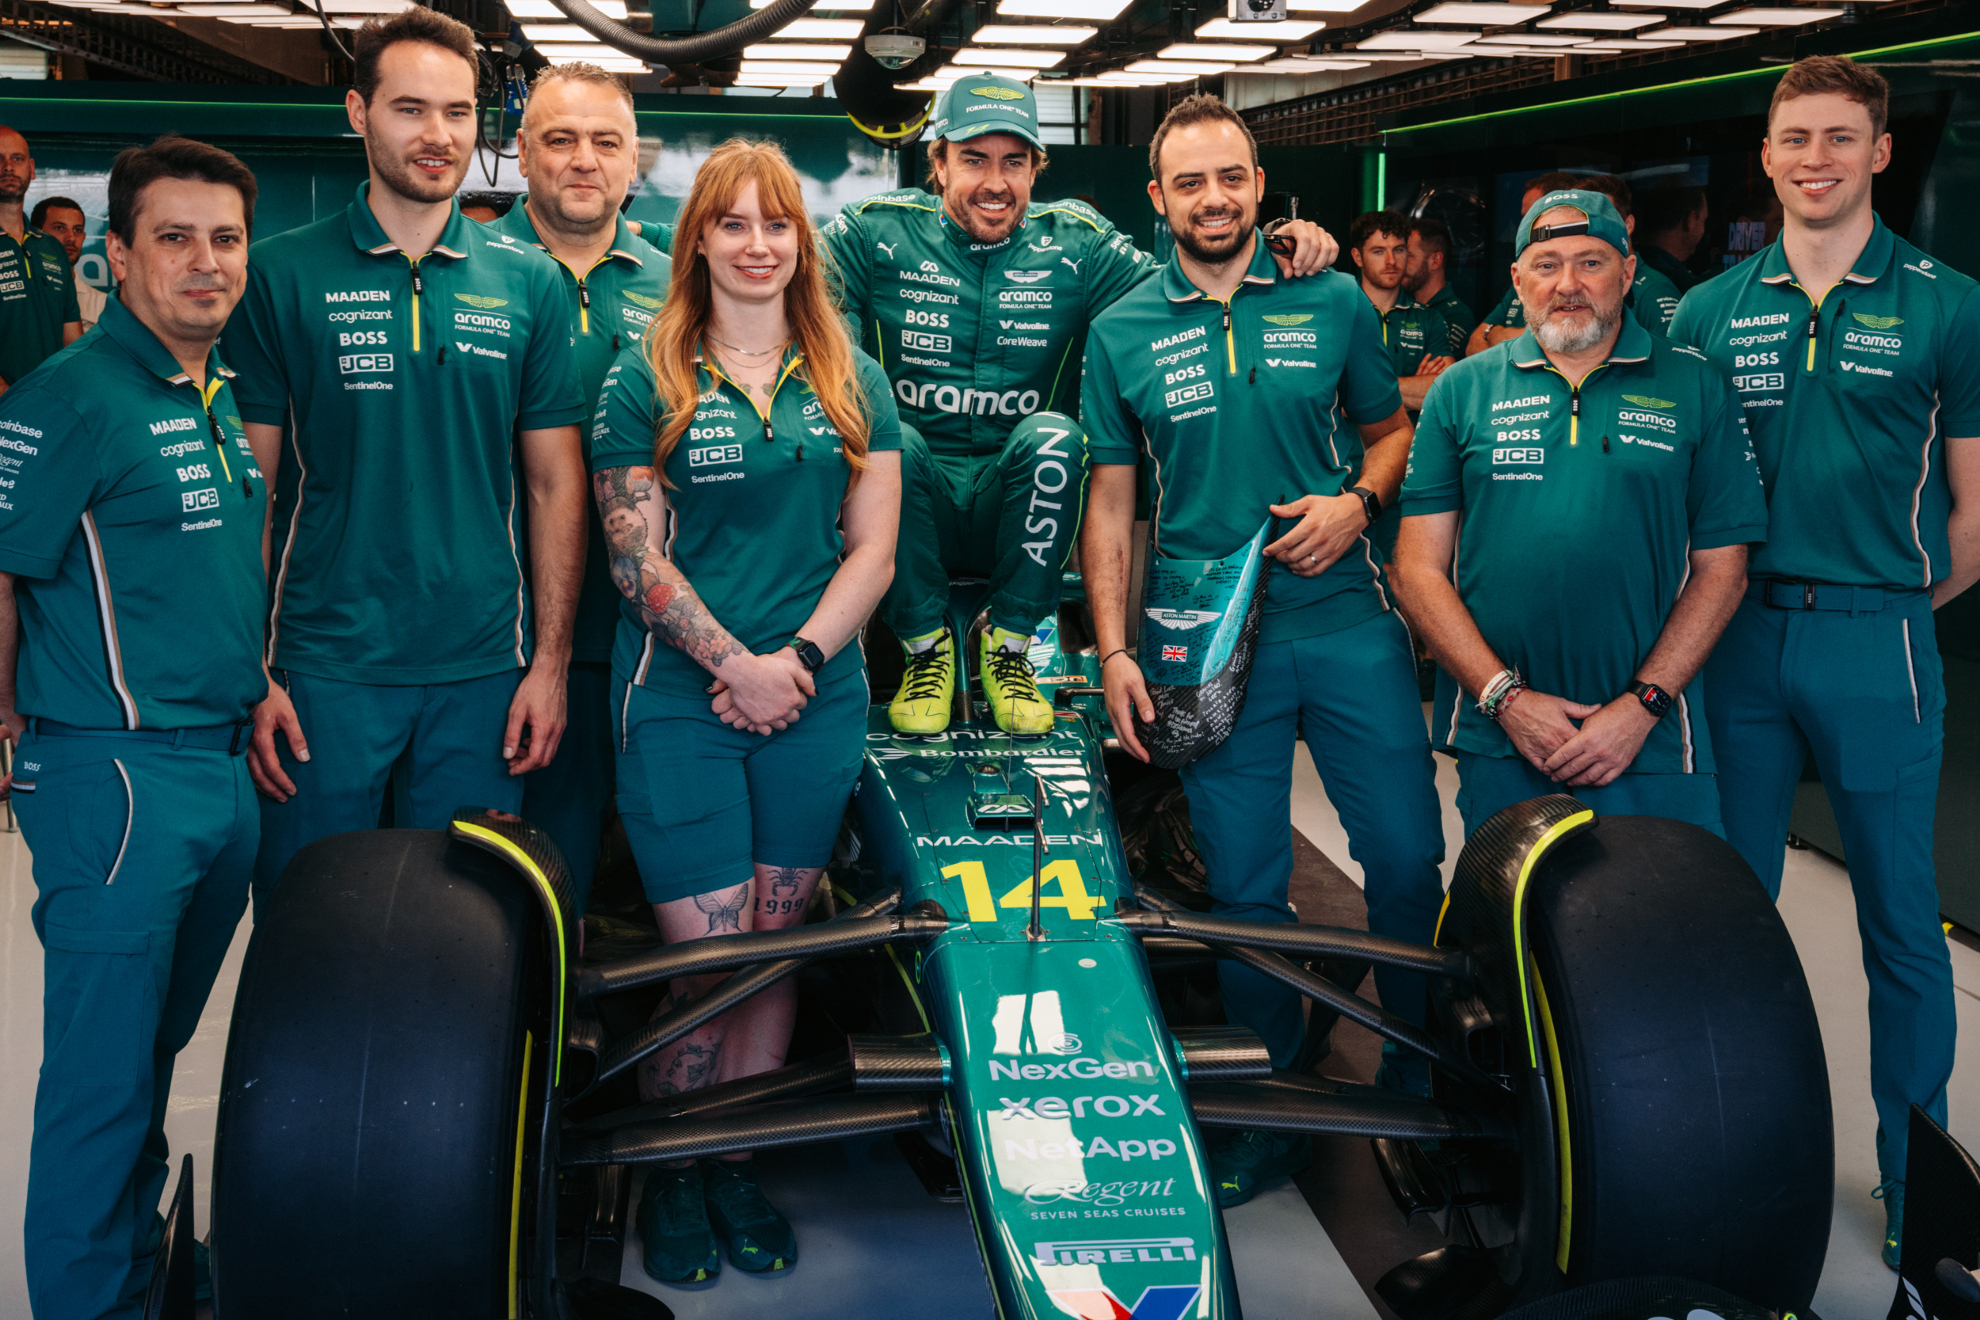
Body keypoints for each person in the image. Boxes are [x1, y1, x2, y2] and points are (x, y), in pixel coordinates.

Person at [1081, 94, 1445, 1208]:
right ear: (1159, 198)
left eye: (1231, 177)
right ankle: (1271, 1095)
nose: (1214, 199)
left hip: (1343, 622)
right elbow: (1111, 501)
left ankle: (1419, 1074)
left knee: (1405, 860)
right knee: (1242, 886)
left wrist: (1356, 502)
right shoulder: (1121, 330)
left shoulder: (1330, 297)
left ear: (1258, 185)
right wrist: (1113, 650)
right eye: (1190, 182)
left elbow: (1392, 436)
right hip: (1203, 638)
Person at [1670, 54, 1980, 1269]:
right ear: (1767, 153)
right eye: (1796, 138)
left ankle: (1918, 1186)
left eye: (1840, 137)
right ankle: (1732, 1160)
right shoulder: (1706, 313)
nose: (1816, 159)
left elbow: (1975, 517)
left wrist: (1885, 602)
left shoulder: (1949, 305)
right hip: (1735, 638)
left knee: (1900, 922)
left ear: (1880, 152)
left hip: (1876, 636)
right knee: (1728, 913)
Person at [590, 138, 901, 1285]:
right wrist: (737, 664)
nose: (757, 244)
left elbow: (872, 549)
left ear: (801, 244)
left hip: (816, 696)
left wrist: (798, 661)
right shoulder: (646, 377)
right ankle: (673, 1167)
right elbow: (634, 558)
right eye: (734, 223)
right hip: (680, 700)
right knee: (708, 960)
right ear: (700, 241)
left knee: (778, 948)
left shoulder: (850, 376)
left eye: (778, 224)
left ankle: (735, 1162)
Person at [819, 75, 1336, 736]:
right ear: (939, 162)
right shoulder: (872, 231)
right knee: (891, 432)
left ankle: (1009, 646)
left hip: (1021, 505)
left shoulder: (1079, 244)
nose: (995, 182)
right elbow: (799, 305)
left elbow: (1192, 286)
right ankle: (926, 651)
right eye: (974, 160)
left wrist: (1278, 241)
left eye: (1014, 162)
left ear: (1036, 169)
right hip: (904, 503)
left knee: (1056, 436)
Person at [229, 8, 587, 896]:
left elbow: (554, 485)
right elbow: (251, 492)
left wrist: (548, 665)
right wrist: (252, 673)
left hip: (484, 669)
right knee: (311, 921)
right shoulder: (278, 274)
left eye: (458, 112)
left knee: (468, 934)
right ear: (358, 112)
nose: (439, 135)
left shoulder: (529, 281)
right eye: (410, 109)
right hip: (321, 665)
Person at [0, 135, 265, 1320]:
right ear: (116, 254)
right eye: (175, 238)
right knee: (100, 1083)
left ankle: (135, 1274)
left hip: (218, 767)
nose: (205, 262)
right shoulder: (71, 398)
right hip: (115, 780)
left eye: (225, 239)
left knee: (152, 1055)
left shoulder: (209, 386)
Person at [1391, 189, 1764, 836]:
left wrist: (1641, 707)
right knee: (1514, 904)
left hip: (1653, 738)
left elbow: (1723, 570)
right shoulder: (1461, 389)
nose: (1568, 284)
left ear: (1628, 271)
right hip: (1500, 735)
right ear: (1518, 281)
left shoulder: (1697, 384)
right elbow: (1416, 569)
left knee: (1663, 902)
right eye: (1547, 264)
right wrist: (1506, 700)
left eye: (1591, 262)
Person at [494, 62, 671, 909]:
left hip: (648, 643)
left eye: (606, 141)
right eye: (560, 139)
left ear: (635, 160)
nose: (583, 160)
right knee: (510, 890)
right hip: (500, 643)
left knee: (638, 889)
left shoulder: (682, 288)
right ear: (522, 152)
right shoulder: (474, 271)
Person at [0, 127, 82, 395]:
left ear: (32, 169)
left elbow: (72, 340)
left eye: (17, 158)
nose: (8, 167)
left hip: (52, 403)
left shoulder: (52, 248)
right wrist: (10, 398)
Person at [1347, 209, 1451, 411]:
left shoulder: (1430, 318)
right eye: (1378, 251)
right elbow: (1331, 395)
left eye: (1399, 250)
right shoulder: (1340, 313)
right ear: (1358, 257)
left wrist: (1362, 390)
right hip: (1352, 434)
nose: (1391, 261)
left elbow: (1445, 391)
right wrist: (1414, 387)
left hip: (1410, 433)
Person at [1467, 170, 1579, 356]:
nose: (1522, 226)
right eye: (1523, 218)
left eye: (1531, 217)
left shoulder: (1574, 284)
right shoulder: (1522, 278)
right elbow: (1473, 345)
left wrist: (1496, 334)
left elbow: (1557, 343)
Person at [1575, 173, 1682, 335]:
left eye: (1602, 223)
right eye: (1579, 225)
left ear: (1628, 225)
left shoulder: (1654, 292)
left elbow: (1669, 350)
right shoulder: (1571, 286)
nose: (1590, 231)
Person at [30, 195, 107, 330]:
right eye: (60, 228)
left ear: (84, 237)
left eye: (77, 230)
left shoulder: (104, 305)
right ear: (35, 235)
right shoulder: (16, 297)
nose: (71, 238)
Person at [1405, 214, 1474, 357]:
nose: (1399, 262)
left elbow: (1436, 368)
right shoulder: (1399, 302)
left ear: (1435, 261)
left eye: (1409, 255)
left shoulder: (1458, 315)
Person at [1638, 185, 1709, 294]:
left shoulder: (1630, 266)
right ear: (1690, 220)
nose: (1704, 230)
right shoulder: (1689, 289)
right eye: (1703, 221)